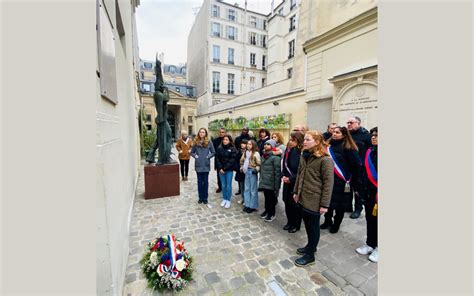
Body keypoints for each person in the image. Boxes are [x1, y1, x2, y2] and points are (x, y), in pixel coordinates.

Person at [292, 131, 334, 267]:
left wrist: (324, 204)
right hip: (303, 197)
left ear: (317, 142)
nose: (304, 142)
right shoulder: (305, 155)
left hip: (315, 199)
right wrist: (296, 191)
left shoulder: (325, 159)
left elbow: (328, 183)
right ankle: (310, 246)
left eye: (308, 140)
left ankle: (310, 255)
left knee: (313, 226)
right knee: (307, 225)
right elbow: (299, 174)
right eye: (304, 139)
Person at [321, 126, 361, 233]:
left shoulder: (349, 148)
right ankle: (327, 221)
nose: (334, 134)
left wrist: (354, 181)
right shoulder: (328, 146)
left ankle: (336, 224)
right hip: (329, 180)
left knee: (340, 205)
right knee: (328, 203)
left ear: (344, 135)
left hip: (343, 181)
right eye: (333, 132)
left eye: (337, 132)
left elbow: (356, 165)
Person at [356, 127, 378, 263]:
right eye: (372, 135)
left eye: (377, 135)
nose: (373, 137)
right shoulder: (371, 152)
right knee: (370, 219)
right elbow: (364, 172)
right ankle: (370, 243)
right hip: (369, 193)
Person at [347, 116, 372, 218]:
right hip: (348, 166)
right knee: (347, 188)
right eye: (348, 122)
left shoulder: (366, 135)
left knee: (358, 189)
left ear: (358, 123)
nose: (349, 124)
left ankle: (358, 208)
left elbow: (370, 150)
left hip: (360, 168)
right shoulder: (347, 135)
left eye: (351, 122)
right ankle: (348, 206)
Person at [282, 132, 304, 233]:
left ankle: (296, 224)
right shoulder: (288, 150)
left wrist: (291, 178)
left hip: (296, 182)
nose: (290, 142)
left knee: (295, 205)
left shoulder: (301, 153)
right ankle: (289, 222)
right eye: (290, 139)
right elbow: (284, 164)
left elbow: (301, 170)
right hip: (287, 181)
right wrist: (284, 175)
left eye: (293, 140)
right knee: (287, 202)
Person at [190, 128, 215, 208]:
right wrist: (196, 156)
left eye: (203, 132)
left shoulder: (209, 142)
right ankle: (200, 197)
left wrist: (208, 156)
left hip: (206, 164)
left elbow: (213, 152)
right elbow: (192, 152)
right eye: (200, 132)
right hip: (198, 165)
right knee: (200, 182)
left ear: (205, 133)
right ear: (198, 133)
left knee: (206, 182)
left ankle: (205, 198)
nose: (201, 133)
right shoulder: (196, 142)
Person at [258, 139, 282, 222]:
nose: (266, 146)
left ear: (272, 146)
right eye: (265, 144)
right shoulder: (264, 155)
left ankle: (272, 214)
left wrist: (277, 186)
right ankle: (267, 210)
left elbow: (277, 172)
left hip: (271, 182)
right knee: (266, 198)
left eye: (268, 144)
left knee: (271, 199)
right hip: (265, 181)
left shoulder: (275, 157)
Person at [215, 134, 237, 209]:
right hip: (221, 170)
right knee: (223, 185)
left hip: (228, 170)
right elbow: (217, 159)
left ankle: (228, 200)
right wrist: (220, 168)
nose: (225, 141)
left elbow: (232, 160)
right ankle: (224, 198)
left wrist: (224, 168)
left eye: (226, 139)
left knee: (228, 185)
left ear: (230, 141)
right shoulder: (219, 148)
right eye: (224, 139)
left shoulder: (233, 149)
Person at [240, 139, 261, 213]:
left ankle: (252, 206)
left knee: (253, 190)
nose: (248, 145)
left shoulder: (256, 154)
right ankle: (247, 204)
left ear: (253, 145)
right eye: (248, 144)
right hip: (246, 172)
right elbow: (241, 161)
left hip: (252, 172)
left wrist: (256, 170)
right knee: (247, 189)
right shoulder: (245, 152)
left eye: (250, 144)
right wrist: (242, 167)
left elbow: (259, 164)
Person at [212, 127, 226, 193]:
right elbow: (214, 151)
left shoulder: (227, 139)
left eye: (223, 132)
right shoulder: (215, 140)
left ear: (225, 133)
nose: (221, 133)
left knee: (226, 174)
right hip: (218, 160)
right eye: (220, 132)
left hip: (226, 160)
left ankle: (225, 187)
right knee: (218, 175)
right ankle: (220, 187)